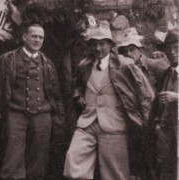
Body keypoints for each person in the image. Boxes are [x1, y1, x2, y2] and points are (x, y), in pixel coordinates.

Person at [64, 22, 154, 180]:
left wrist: (146, 118)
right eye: (94, 44)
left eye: (102, 44)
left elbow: (145, 91)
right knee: (74, 162)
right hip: (87, 122)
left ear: (110, 45)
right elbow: (78, 84)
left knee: (114, 173)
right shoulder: (84, 65)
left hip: (114, 124)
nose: (97, 48)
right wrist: (78, 95)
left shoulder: (125, 65)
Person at [0, 23, 65, 180]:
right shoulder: (8, 59)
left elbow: (55, 95)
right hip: (16, 114)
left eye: (41, 37)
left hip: (42, 115)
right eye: (34, 36)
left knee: (38, 158)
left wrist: (58, 117)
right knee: (13, 157)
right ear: (24, 37)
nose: (37, 40)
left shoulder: (48, 63)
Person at [149, 28, 178, 180]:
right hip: (165, 138)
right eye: (169, 48)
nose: (172, 52)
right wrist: (157, 125)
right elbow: (156, 107)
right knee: (165, 173)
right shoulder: (165, 75)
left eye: (177, 48)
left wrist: (177, 98)